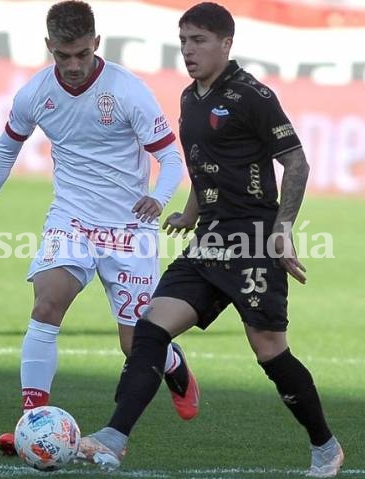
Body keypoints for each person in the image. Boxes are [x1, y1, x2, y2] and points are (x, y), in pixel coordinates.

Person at [77, 2, 344, 477]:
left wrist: (282, 230)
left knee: (269, 350)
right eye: (183, 42)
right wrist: (189, 211)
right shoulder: (188, 99)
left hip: (253, 242)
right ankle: (114, 438)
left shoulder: (253, 96)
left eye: (198, 40)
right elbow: (203, 165)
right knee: (150, 330)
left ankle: (325, 446)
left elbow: (297, 162)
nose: (188, 51)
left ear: (226, 43)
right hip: (208, 240)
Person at [0, 0, 200, 456]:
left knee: (135, 345)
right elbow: (4, 151)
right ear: (49, 47)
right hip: (71, 219)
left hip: (130, 227)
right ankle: (32, 421)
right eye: (62, 55)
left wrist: (158, 197)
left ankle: (174, 365)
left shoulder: (127, 91)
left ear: (97, 44)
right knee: (46, 304)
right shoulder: (35, 94)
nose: (72, 66)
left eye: (82, 55)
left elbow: (170, 158)